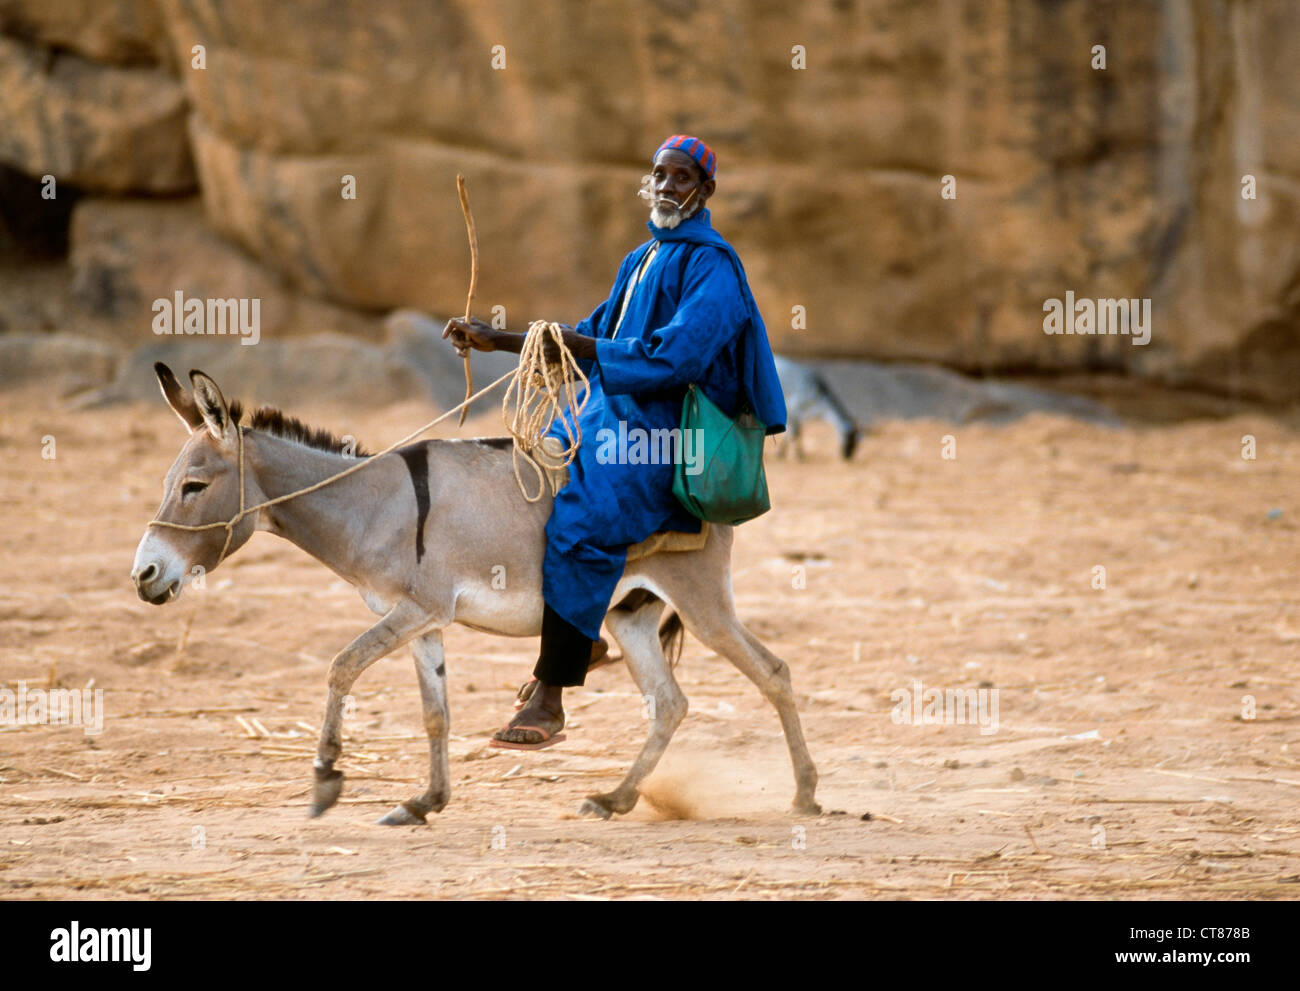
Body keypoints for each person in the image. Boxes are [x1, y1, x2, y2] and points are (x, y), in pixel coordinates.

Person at [444, 135, 785, 749]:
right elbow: (586, 335)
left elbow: (676, 356)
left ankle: (550, 696)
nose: (664, 186)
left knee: (586, 516)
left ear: (704, 192)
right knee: (521, 468)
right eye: (657, 173)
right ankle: (585, 631)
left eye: (680, 178)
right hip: (603, 412)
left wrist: (582, 350)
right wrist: (496, 340)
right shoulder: (642, 258)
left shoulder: (713, 266)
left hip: (662, 435)